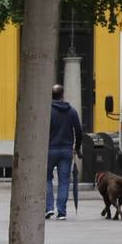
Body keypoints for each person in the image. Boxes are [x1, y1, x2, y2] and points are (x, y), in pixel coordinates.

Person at [46, 85, 83, 220]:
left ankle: (49, 208)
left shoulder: (47, 111)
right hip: (66, 150)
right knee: (64, 181)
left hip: (49, 150)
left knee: (47, 179)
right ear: (62, 95)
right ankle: (61, 211)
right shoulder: (72, 111)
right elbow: (79, 131)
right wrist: (77, 147)